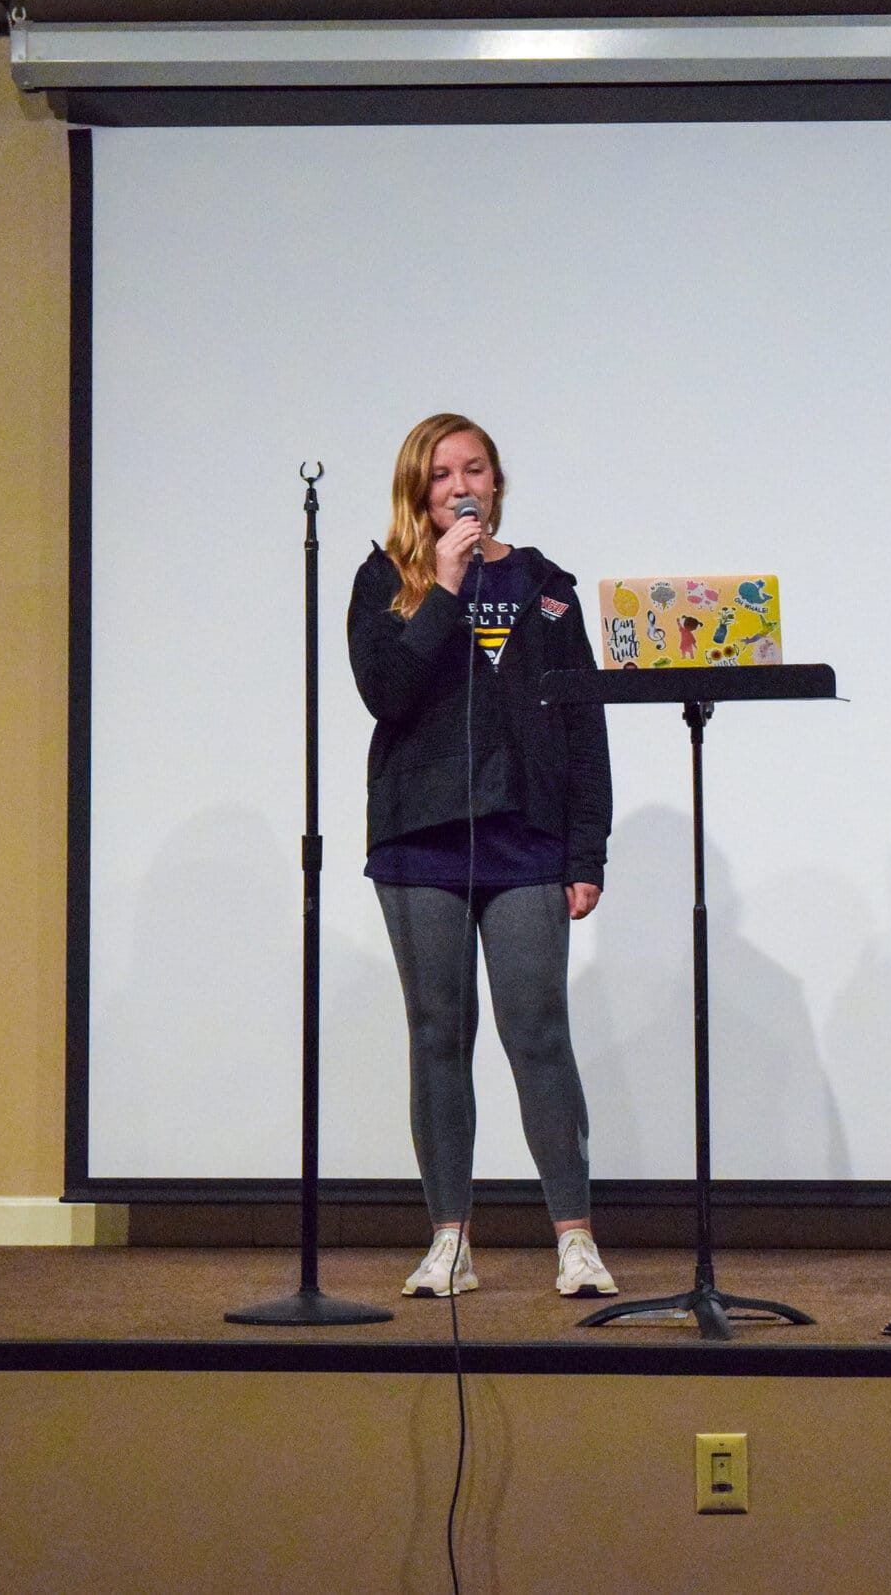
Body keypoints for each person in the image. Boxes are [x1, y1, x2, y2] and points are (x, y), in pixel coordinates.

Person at [347, 412, 618, 1300]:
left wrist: (588, 849)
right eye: (440, 475)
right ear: (418, 493)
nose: (459, 486)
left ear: (497, 482)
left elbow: (583, 724)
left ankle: (574, 1238)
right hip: (421, 839)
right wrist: (446, 587)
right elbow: (386, 694)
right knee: (438, 1036)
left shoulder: (546, 585)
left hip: (526, 839)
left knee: (537, 1032)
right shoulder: (385, 582)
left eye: (474, 470)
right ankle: (450, 1239)